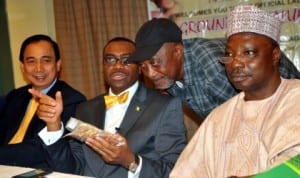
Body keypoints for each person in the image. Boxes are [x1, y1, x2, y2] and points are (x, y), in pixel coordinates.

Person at [169, 5, 300, 178]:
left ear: (275, 55)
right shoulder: (219, 117)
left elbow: (294, 167)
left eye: (249, 52)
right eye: (229, 54)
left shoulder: (295, 98)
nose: (235, 63)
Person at [31, 37, 186, 178]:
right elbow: (71, 169)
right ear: (103, 67)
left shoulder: (165, 106)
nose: (118, 66)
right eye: (110, 60)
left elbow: (175, 171)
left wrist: (130, 161)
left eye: (127, 60)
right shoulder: (85, 109)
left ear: (139, 68)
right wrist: (54, 126)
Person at [128, 18, 300, 120]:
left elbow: (252, 120)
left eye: (155, 62)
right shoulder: (168, 75)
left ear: (178, 51)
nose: (150, 73)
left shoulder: (213, 69)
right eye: (143, 66)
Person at [0, 34, 86, 168]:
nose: (38, 68)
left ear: (58, 65)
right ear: (22, 67)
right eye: (31, 61)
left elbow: (40, 149)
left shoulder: (72, 100)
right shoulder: (15, 96)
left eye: (46, 61)